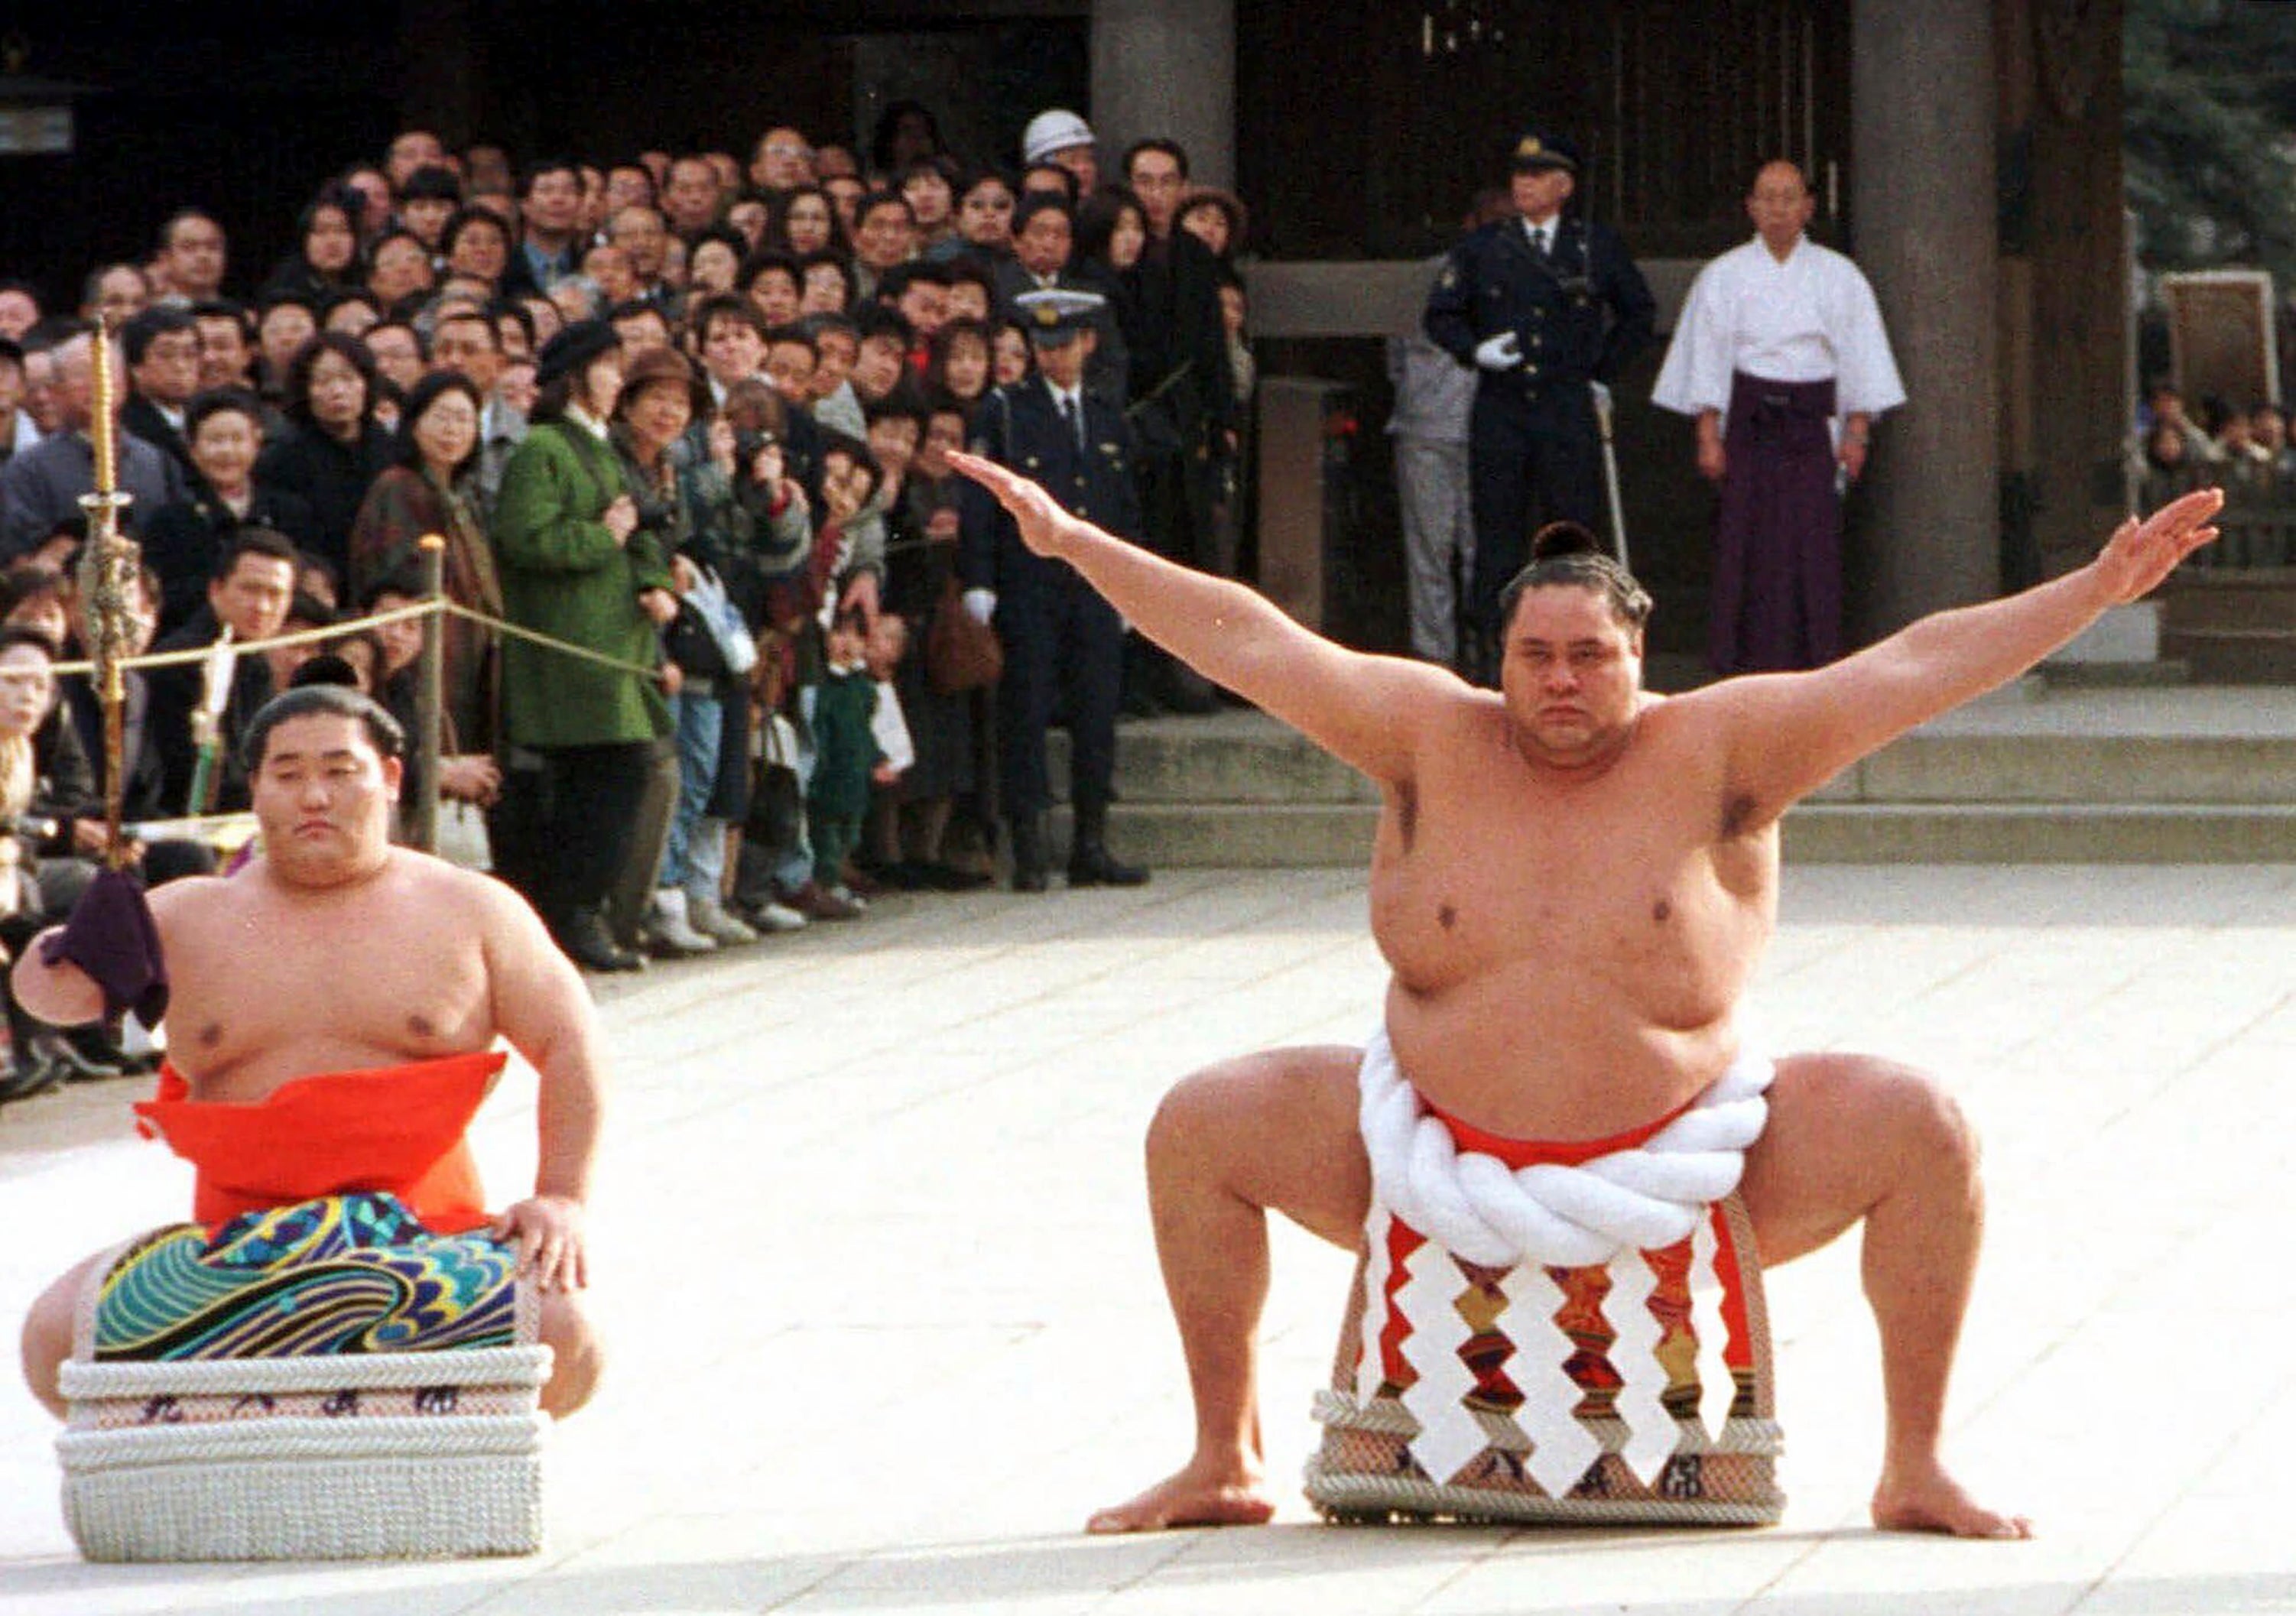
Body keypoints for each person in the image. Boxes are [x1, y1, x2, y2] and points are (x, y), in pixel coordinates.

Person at [948, 433, 2225, 1540]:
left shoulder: (1724, 746)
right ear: (1495, 656)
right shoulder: (1421, 734)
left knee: (1922, 1124)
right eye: (1535, 653)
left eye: (1590, 654)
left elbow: (1909, 663)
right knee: (1201, 1119)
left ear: (1636, 652)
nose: (1560, 679)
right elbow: (1247, 637)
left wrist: (2090, 591)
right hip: (1428, 1170)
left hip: (1690, 1179)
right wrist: (1070, 545)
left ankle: (1915, 1460)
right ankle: (1222, 1454)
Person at [15, 683, 604, 1420]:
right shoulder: (186, 915)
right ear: (254, 788)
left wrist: (562, 1197)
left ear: (389, 778)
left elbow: (572, 1040)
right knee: (57, 1341)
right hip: (234, 1246)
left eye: (339, 770)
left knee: (564, 1335)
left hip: (427, 1232)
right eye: (287, 775)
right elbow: (55, 999)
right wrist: (67, 942)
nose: (313, 796)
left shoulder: (472, 909)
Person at [1653, 160, 1908, 674]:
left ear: (1808, 207)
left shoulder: (1840, 277)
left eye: (1788, 197)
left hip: (1810, 423)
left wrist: (1856, 433)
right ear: (1750, 206)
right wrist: (1708, 433)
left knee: (1812, 544)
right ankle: (1738, 664)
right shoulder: (1723, 275)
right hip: (1748, 422)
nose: (1777, 209)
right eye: (1766, 198)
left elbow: (1860, 357)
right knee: (1742, 542)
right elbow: (1707, 357)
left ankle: (1816, 664)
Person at [1423, 129, 1655, 683]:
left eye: (1536, 175)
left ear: (1563, 185)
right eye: (1518, 175)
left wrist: (1598, 370)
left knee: (1571, 535)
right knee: (1496, 534)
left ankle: (1581, 652)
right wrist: (1475, 351)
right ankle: (1491, 656)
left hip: (1565, 407)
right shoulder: (1485, 246)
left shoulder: (1593, 246)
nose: (1522, 185)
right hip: (1502, 408)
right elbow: (1440, 315)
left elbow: (1637, 312)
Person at [489, 319, 677, 974]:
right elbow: (527, 538)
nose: (618, 380)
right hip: (569, 648)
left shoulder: (601, 446)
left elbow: (641, 529)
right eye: (608, 367)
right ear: (576, 375)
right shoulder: (543, 447)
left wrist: (655, 581)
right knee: (606, 779)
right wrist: (606, 538)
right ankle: (575, 915)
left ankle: (580, 914)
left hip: (615, 644)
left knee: (610, 779)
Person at [956, 288, 1147, 892]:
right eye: (1043, 345)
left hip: (1093, 584)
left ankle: (1091, 841)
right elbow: (982, 505)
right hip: (1028, 583)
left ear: (1086, 343)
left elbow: (1123, 511)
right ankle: (1030, 846)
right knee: (1027, 709)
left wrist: (1132, 588)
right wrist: (981, 579)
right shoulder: (1005, 411)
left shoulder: (1106, 411)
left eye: (1063, 344)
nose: (1053, 357)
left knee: (1096, 713)